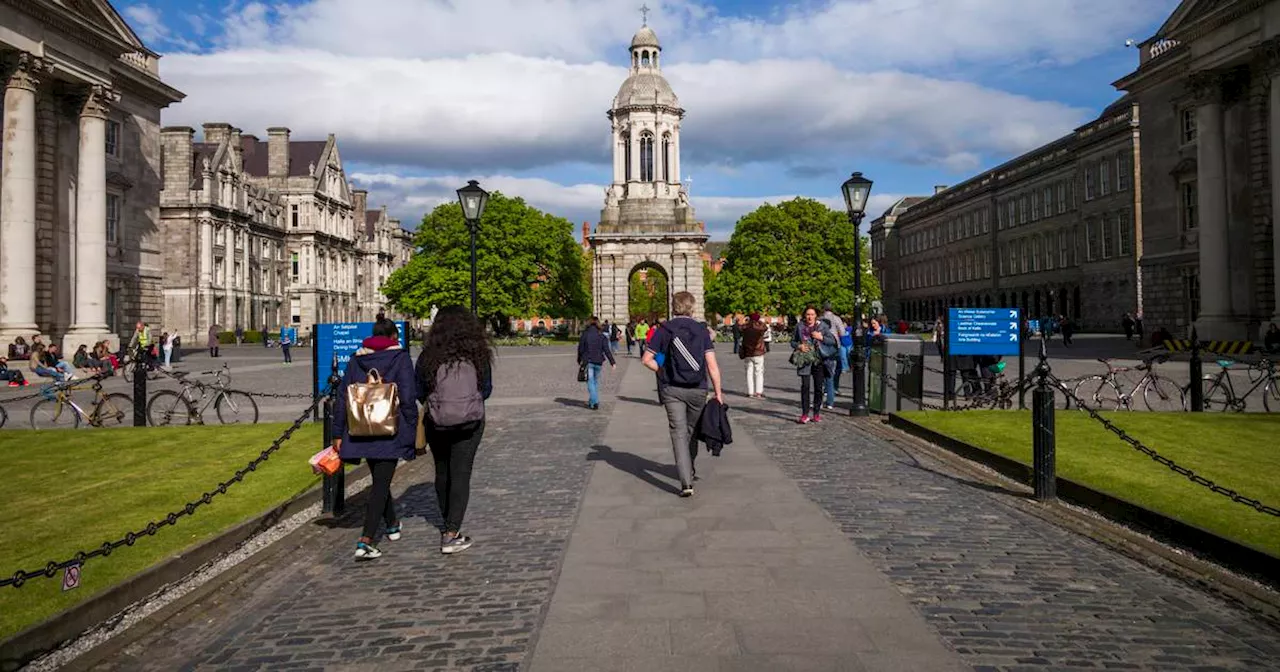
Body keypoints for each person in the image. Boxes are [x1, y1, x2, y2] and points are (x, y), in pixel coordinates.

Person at [332, 318, 419, 561]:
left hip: (361, 428)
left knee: (380, 479)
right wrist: (412, 428)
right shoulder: (400, 358)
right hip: (390, 428)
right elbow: (409, 396)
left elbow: (343, 398)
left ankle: (391, 524)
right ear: (393, 336)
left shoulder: (356, 359)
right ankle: (366, 540)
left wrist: (338, 432)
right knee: (381, 484)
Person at [416, 306, 493, 555]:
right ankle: (451, 532)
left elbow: (419, 390)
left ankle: (446, 522)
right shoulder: (478, 353)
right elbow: (487, 389)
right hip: (470, 422)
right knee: (461, 473)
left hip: (437, 421)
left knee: (442, 471)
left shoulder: (429, 355)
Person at [643, 291, 723, 497]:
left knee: (678, 433)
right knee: (691, 430)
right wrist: (718, 393)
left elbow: (646, 359)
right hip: (698, 389)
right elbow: (712, 366)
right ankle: (690, 466)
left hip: (672, 390)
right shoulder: (702, 331)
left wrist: (662, 370)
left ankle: (686, 482)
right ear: (692, 308)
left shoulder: (664, 330)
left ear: (673, 307)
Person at [793, 307, 836, 424]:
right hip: (805, 359)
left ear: (816, 315)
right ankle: (805, 414)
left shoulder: (823, 326)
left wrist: (821, 337)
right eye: (807, 314)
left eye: (812, 314)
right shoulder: (799, 326)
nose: (810, 317)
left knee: (818, 388)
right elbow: (793, 341)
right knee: (805, 387)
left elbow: (832, 341)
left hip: (819, 359)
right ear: (804, 315)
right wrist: (799, 346)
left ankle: (816, 412)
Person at [577, 316, 617, 410]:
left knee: (590, 382)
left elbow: (580, 349)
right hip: (598, 361)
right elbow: (607, 350)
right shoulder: (601, 335)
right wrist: (612, 362)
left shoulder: (585, 334)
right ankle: (592, 401)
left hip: (588, 361)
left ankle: (595, 402)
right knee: (595, 382)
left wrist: (579, 360)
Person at [820, 303, 847, 409]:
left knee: (821, 372)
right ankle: (832, 391)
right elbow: (843, 332)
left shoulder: (820, 319)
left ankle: (824, 393)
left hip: (822, 345)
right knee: (835, 369)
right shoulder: (836, 318)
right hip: (835, 346)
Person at [739, 312, 768, 398]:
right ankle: (759, 392)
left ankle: (750, 392)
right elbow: (765, 327)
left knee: (749, 372)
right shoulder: (759, 327)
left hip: (748, 352)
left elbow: (740, 327)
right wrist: (760, 322)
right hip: (758, 352)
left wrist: (746, 321)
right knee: (759, 372)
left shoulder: (746, 327)